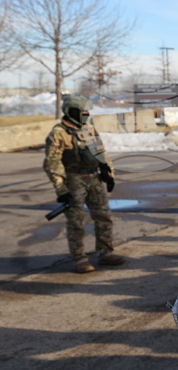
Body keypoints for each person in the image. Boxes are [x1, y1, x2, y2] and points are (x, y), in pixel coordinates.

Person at [44, 95, 125, 273]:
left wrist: (108, 173)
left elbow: (100, 151)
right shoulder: (58, 132)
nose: (86, 114)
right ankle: (80, 259)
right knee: (76, 222)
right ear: (72, 112)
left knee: (103, 217)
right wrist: (61, 189)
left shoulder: (88, 128)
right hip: (74, 181)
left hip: (94, 179)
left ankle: (105, 253)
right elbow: (52, 163)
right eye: (83, 111)